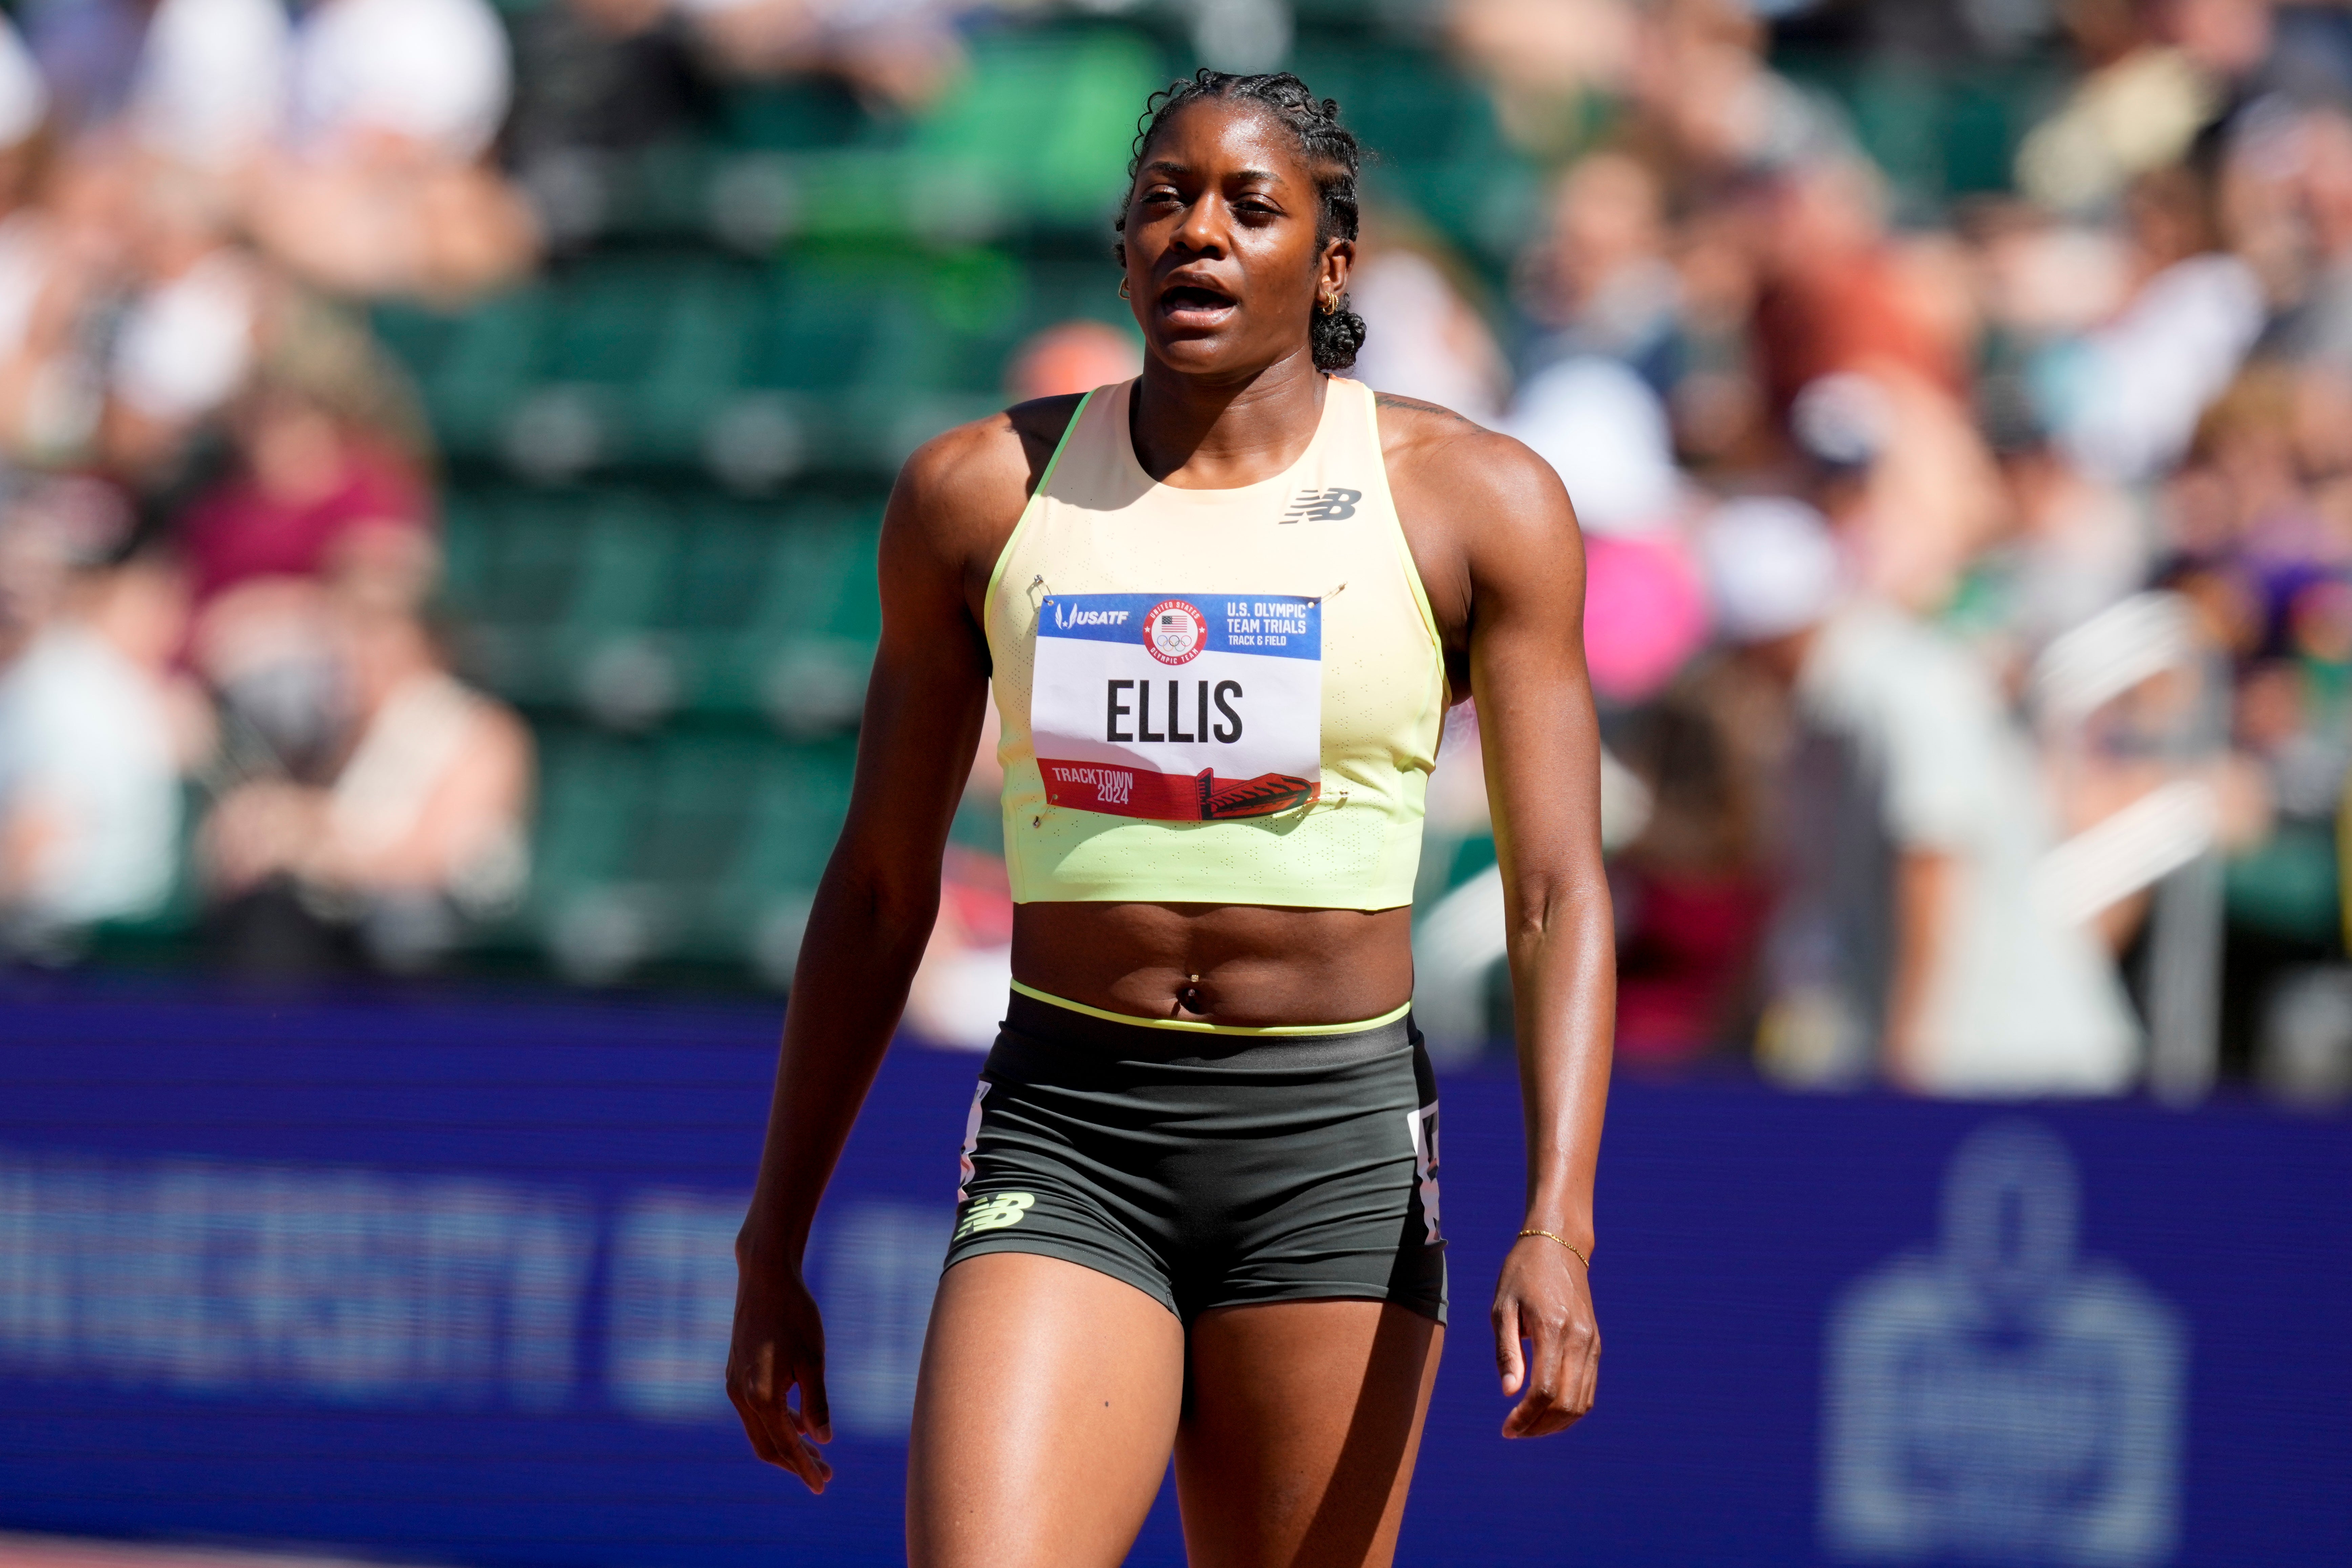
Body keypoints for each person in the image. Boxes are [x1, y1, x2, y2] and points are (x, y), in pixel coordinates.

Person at [726, 69, 1614, 1567]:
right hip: (1071, 1127)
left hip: (1330, 1150)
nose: (1200, 234)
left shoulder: (1476, 501)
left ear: (1334, 262)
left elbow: (1555, 892)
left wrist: (1560, 1221)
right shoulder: (978, 497)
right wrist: (773, 1238)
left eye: (1250, 208)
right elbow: (881, 891)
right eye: (1165, 200)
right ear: (1123, 247)